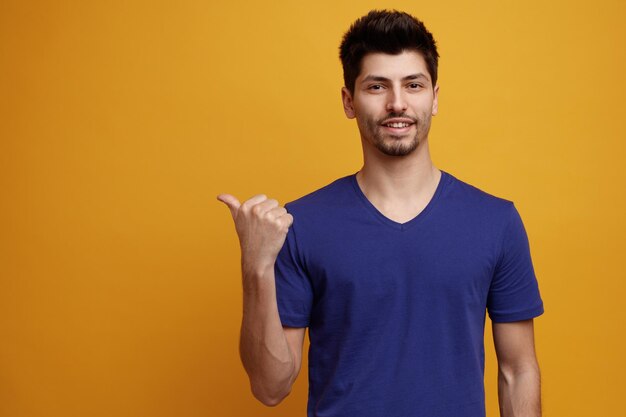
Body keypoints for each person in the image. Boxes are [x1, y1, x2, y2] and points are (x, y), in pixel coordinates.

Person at [217, 9, 544, 417]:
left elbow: (517, 371)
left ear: (435, 97)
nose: (397, 103)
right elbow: (270, 386)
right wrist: (255, 266)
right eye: (376, 86)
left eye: (413, 85)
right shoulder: (300, 226)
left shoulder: (496, 222)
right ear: (349, 101)